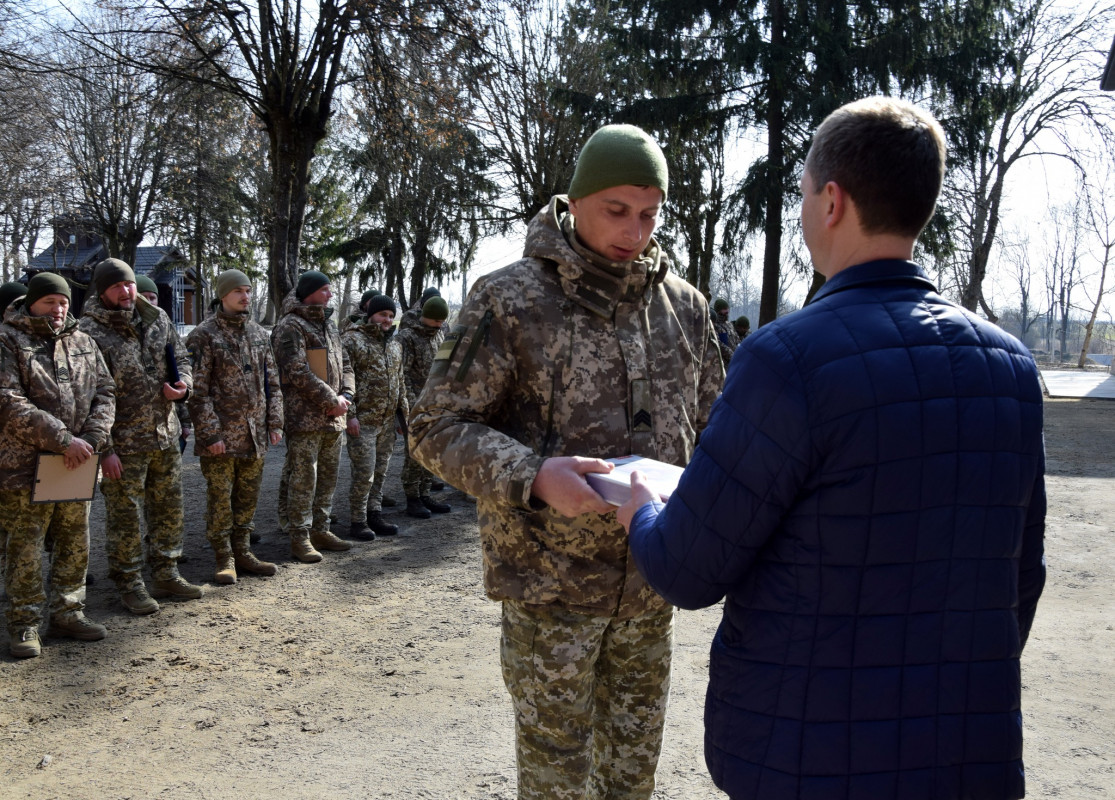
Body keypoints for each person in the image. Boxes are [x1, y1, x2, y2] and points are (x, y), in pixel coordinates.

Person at [618, 97, 1047, 800]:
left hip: (805, 754)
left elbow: (687, 569)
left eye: (801, 195)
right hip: (964, 752)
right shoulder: (1010, 367)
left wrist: (640, 510)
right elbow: (1019, 577)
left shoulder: (786, 359)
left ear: (832, 200)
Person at [410, 123, 723, 800]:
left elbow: (713, 431)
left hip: (648, 586)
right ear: (575, 201)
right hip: (550, 590)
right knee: (556, 782)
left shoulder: (684, 308)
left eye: (649, 214)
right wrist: (534, 477)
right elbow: (434, 427)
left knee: (631, 776)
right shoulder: (508, 299)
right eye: (616, 210)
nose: (634, 232)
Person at [0, 272, 115, 658]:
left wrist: (93, 439)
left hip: (77, 462)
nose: (58, 308)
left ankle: (68, 612)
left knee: (74, 540)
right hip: (25, 465)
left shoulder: (83, 341)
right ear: (31, 302)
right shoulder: (8, 339)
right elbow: (8, 399)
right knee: (26, 547)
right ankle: (24, 623)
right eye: (50, 301)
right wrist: (64, 440)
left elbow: (106, 390)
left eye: (63, 302)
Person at [79, 258, 202, 615]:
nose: (126, 291)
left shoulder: (157, 318)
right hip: (123, 443)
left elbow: (182, 359)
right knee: (125, 517)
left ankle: (166, 572)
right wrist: (105, 449)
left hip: (164, 434)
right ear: (102, 290)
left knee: (168, 509)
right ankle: (129, 582)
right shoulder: (88, 331)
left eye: (129, 283)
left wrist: (184, 387)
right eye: (117, 286)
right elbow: (87, 396)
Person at [186, 270, 284, 584]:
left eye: (248, 290)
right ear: (223, 295)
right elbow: (197, 391)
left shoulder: (258, 333)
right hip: (221, 439)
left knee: (247, 497)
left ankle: (242, 551)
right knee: (220, 499)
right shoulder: (204, 335)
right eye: (238, 291)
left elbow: (272, 383)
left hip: (254, 435)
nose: (245, 297)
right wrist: (210, 433)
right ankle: (223, 557)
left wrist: (275, 421)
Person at [272, 270, 356, 562]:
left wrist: (347, 395)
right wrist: (331, 399)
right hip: (305, 417)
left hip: (335, 417)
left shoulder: (329, 325)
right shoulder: (290, 326)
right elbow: (296, 371)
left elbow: (345, 363)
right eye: (324, 290)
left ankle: (321, 529)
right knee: (304, 478)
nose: (330, 295)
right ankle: (300, 536)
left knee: (328, 477)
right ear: (308, 292)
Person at [342, 292, 406, 539]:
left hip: (387, 422)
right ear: (370, 315)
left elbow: (399, 382)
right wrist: (351, 415)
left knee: (380, 472)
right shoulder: (352, 340)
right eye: (382, 314)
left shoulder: (395, 345)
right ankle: (358, 520)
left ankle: (374, 514)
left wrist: (402, 417)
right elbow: (343, 379)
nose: (387, 320)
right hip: (363, 422)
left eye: (391, 315)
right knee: (364, 474)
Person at [397, 295, 451, 520]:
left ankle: (425, 493)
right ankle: (412, 497)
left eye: (442, 321)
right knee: (414, 452)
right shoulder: (407, 337)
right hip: (415, 405)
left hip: (436, 403)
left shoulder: (439, 335)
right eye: (436, 320)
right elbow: (403, 375)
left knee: (432, 449)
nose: (440, 325)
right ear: (425, 316)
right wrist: (411, 407)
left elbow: (444, 366)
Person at [710, 297, 739, 365]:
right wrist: (732, 355)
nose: (727, 311)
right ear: (718, 310)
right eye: (724, 309)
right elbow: (718, 344)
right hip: (723, 362)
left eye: (727, 308)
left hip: (735, 359)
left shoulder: (729, 324)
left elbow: (737, 339)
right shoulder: (715, 325)